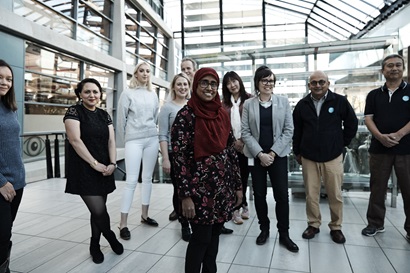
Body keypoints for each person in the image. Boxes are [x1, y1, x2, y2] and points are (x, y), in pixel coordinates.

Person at [171, 67, 242, 273]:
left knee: (214, 238)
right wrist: (185, 196)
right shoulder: (185, 116)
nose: (209, 88)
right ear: (196, 85)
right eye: (204, 82)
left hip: (222, 188)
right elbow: (179, 159)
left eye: (213, 84)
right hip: (198, 192)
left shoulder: (221, 114)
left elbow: (230, 151)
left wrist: (238, 186)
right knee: (200, 240)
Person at [292, 70, 358, 244]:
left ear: (328, 83)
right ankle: (313, 224)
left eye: (322, 82)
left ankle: (336, 227)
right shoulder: (302, 105)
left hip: (333, 156)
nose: (318, 85)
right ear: (309, 86)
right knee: (311, 194)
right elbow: (297, 131)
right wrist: (297, 151)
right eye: (314, 83)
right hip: (309, 157)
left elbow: (352, 123)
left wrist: (341, 143)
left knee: (335, 194)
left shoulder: (339, 101)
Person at [64, 78, 123, 264]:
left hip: (104, 168)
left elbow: (111, 141)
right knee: (98, 210)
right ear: (80, 94)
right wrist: (94, 163)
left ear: (100, 94)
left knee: (98, 211)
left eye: (95, 92)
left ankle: (94, 245)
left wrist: (113, 163)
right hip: (84, 167)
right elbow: (75, 141)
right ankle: (110, 235)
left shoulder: (104, 115)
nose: (92, 95)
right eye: (87, 91)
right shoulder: (74, 112)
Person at [241, 65, 299, 252]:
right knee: (259, 195)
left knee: (281, 195)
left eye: (271, 81)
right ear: (257, 83)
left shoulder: (283, 102)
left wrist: (272, 153)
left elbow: (289, 130)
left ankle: (284, 234)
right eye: (265, 80)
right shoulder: (249, 104)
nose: (268, 84)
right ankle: (263, 230)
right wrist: (260, 154)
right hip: (257, 156)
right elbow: (246, 132)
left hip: (278, 156)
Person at [361, 54, 410, 242]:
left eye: (398, 65)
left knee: (408, 189)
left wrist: (398, 135)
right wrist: (380, 137)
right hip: (379, 149)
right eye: (389, 66)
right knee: (377, 188)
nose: (394, 68)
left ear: (403, 69)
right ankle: (375, 223)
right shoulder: (374, 95)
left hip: (406, 149)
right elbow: (368, 118)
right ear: (383, 70)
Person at [117, 62, 160, 240]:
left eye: (148, 71)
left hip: (152, 138)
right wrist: (124, 141)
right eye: (141, 71)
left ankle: (144, 215)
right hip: (133, 139)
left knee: (148, 178)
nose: (145, 73)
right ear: (135, 73)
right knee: (132, 180)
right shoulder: (127, 93)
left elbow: (155, 117)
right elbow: (120, 120)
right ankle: (123, 223)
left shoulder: (153, 94)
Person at [158, 73, 191, 241]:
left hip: (193, 156)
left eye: (185, 84)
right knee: (180, 190)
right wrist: (165, 158)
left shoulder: (193, 105)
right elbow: (162, 135)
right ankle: (184, 224)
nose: (182, 87)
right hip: (174, 154)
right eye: (179, 84)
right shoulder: (167, 108)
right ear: (173, 87)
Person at [0, 60, 26, 273]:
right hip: (2, 183)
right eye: (0, 77)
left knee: (5, 233)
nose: (5, 82)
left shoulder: (10, 107)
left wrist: (19, 177)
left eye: (9, 79)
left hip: (17, 181)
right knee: (1, 234)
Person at [222, 71, 252, 225]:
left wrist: (243, 140)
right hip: (230, 146)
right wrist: (234, 141)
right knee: (234, 178)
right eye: (228, 83)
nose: (232, 85)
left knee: (244, 177)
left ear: (239, 81)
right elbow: (223, 126)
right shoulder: (224, 104)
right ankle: (236, 208)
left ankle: (243, 204)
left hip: (247, 145)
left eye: (234, 81)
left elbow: (253, 124)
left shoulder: (250, 99)